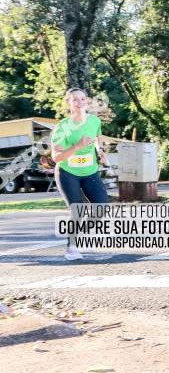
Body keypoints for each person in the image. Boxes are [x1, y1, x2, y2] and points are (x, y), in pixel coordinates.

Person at [51, 88, 110, 261]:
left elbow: (98, 137)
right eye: (75, 100)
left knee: (101, 206)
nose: (79, 102)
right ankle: (71, 247)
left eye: (82, 99)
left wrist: (100, 150)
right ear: (68, 103)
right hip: (68, 172)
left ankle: (77, 233)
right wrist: (77, 146)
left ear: (87, 101)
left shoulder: (94, 121)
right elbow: (56, 156)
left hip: (90, 171)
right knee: (77, 210)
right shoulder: (62, 127)